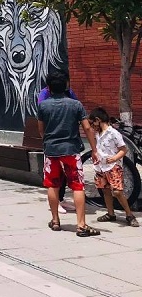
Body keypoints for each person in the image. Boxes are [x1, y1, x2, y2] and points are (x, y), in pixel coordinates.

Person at [38, 70, 100, 237]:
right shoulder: (76, 105)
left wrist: (48, 141)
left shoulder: (43, 106)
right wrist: (94, 149)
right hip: (71, 150)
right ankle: (81, 225)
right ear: (66, 85)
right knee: (77, 185)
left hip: (51, 151)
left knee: (53, 184)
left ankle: (56, 221)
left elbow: (41, 130)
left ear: (49, 88)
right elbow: (87, 127)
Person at [90, 107, 138, 227]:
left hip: (113, 167)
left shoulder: (113, 133)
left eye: (92, 123)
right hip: (101, 166)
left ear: (98, 120)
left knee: (117, 191)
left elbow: (123, 149)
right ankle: (110, 213)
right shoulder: (98, 133)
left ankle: (129, 214)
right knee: (105, 190)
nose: (92, 126)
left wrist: (115, 158)